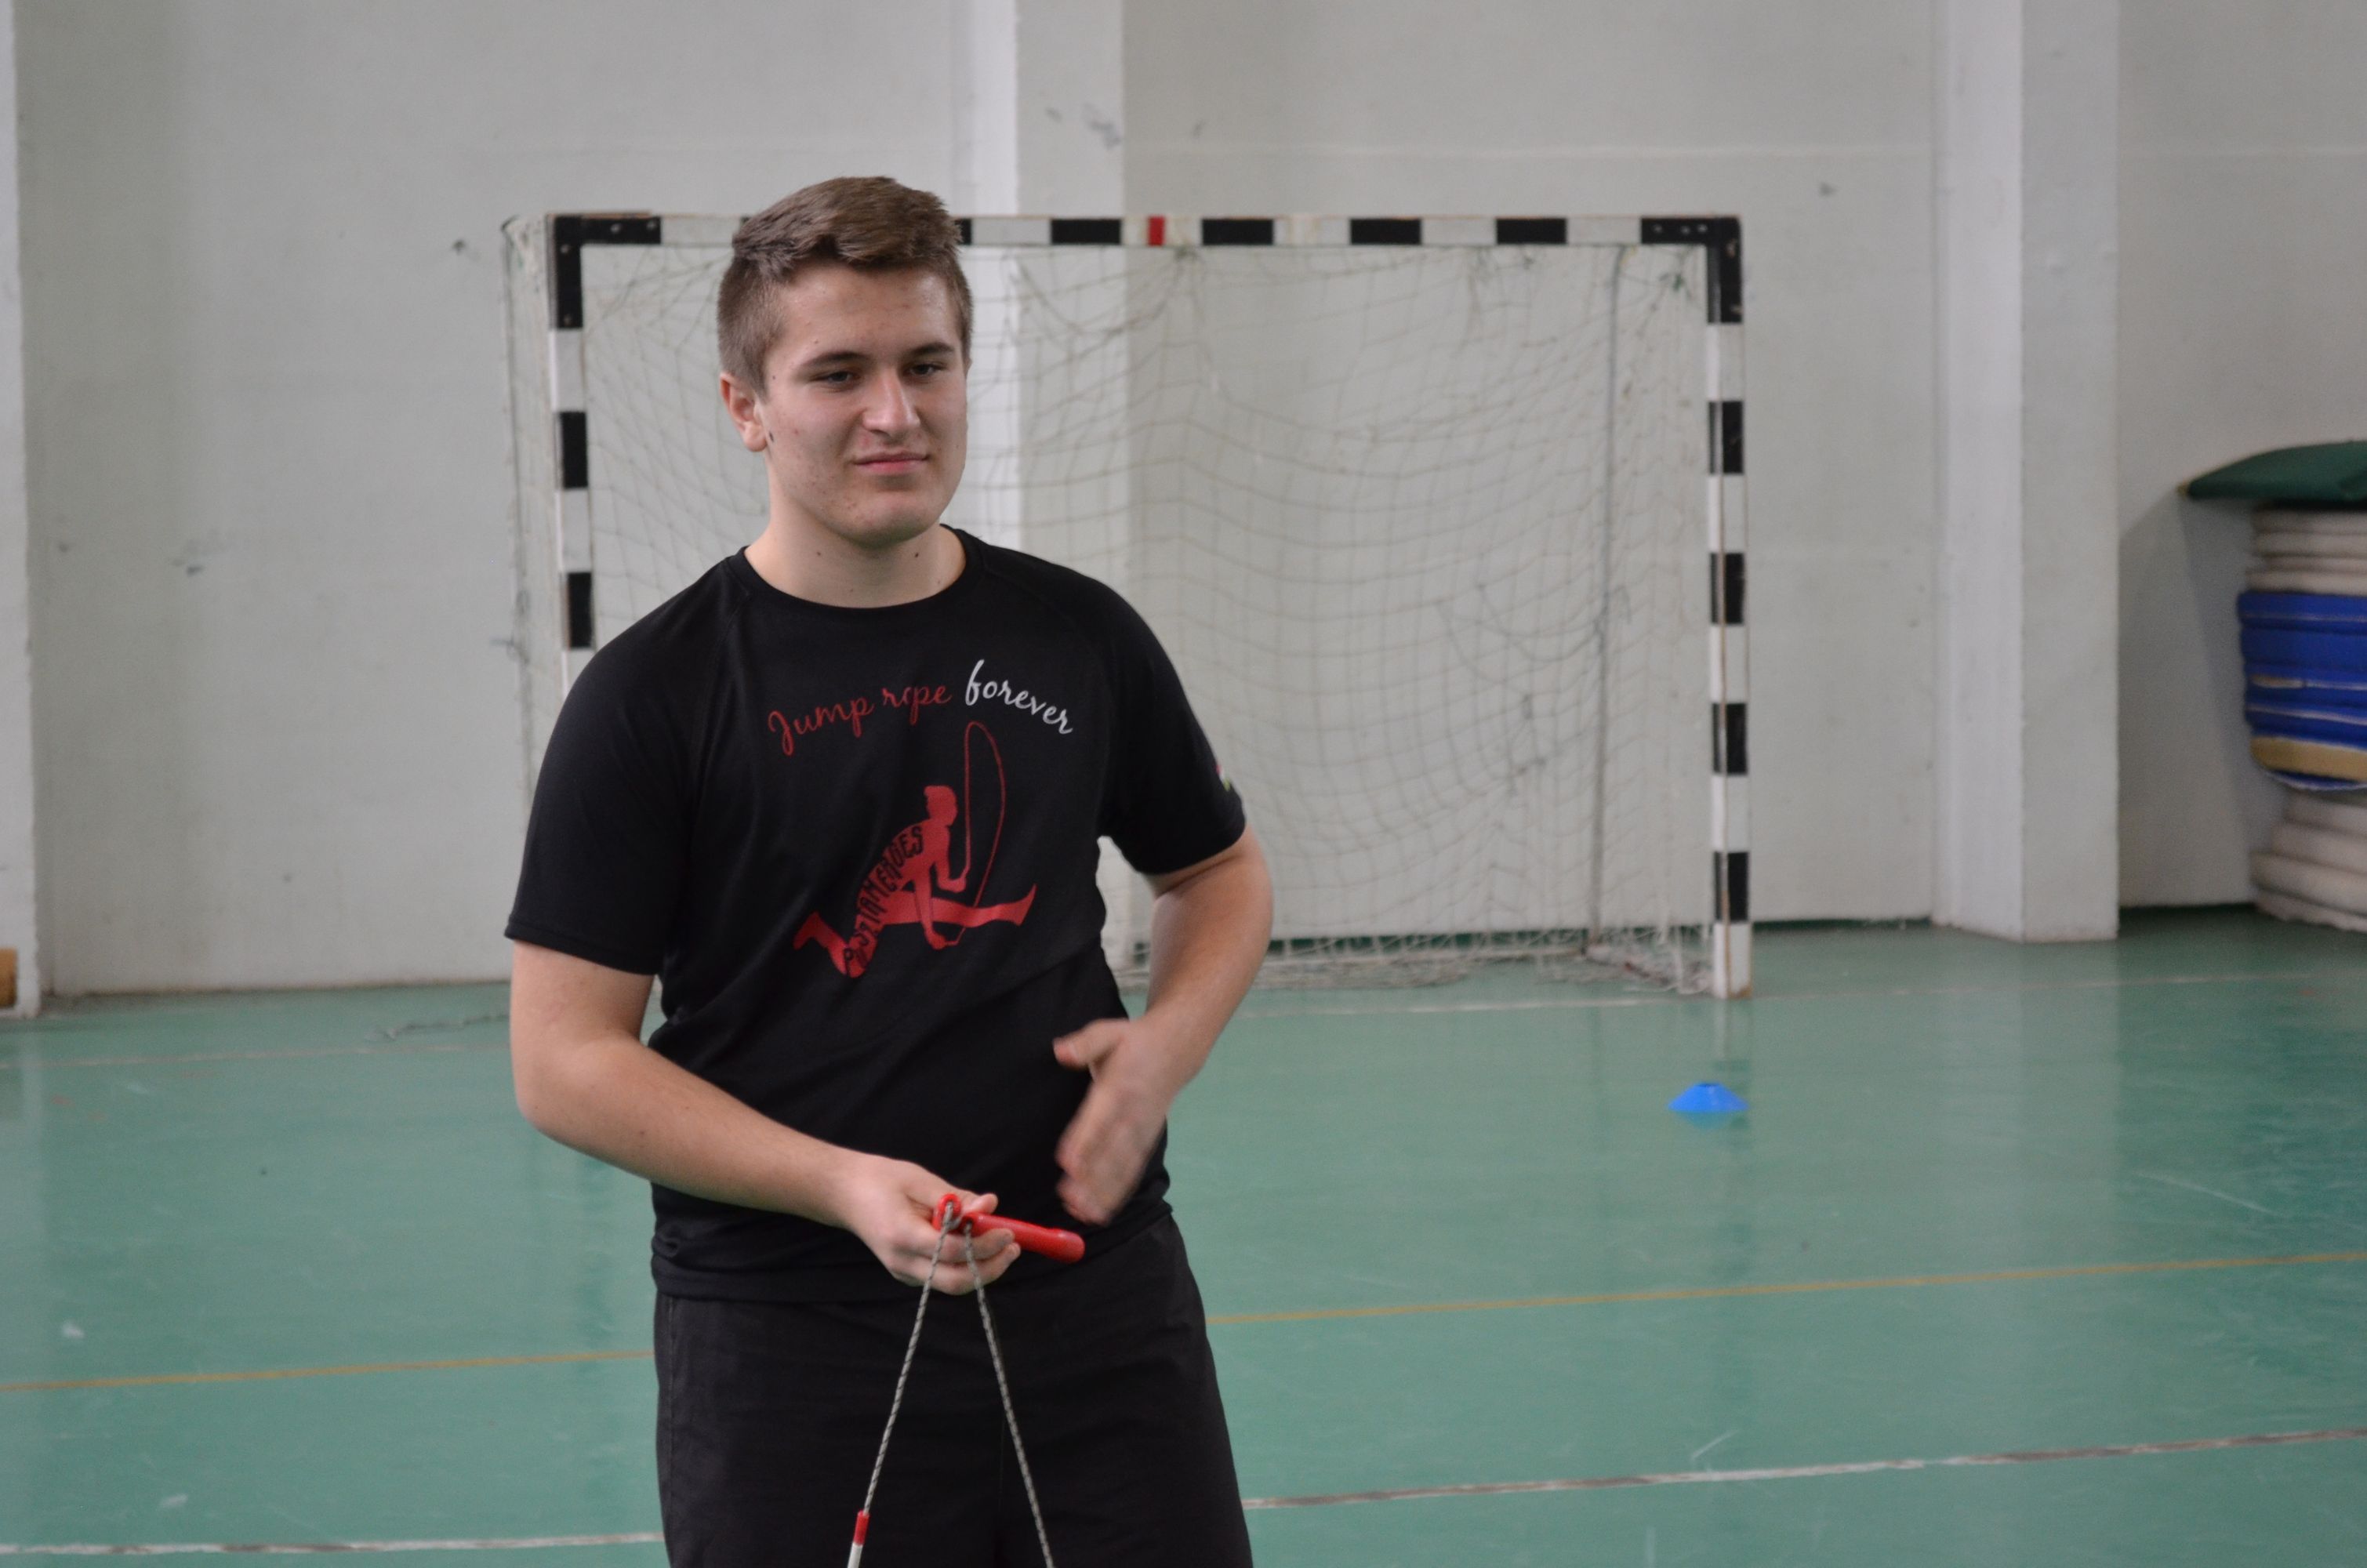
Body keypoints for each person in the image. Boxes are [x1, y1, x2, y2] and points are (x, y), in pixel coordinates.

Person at [504, 175, 1272, 1566]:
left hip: (1097, 1310)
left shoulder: (1078, 637)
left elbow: (1215, 873)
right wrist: (840, 1184)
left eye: (927, 365)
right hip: (790, 1337)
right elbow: (563, 1062)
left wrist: (1169, 1043)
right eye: (836, 374)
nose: (894, 413)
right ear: (747, 406)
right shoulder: (652, 698)